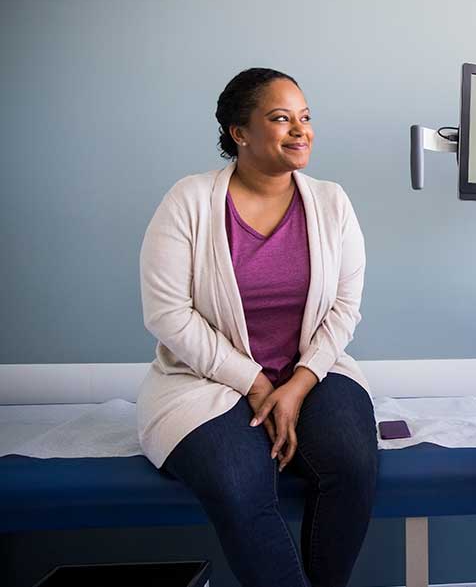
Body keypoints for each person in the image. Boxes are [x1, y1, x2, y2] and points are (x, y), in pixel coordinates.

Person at [137, 68, 376, 587]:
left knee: (352, 465)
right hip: (205, 382)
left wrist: (298, 384)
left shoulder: (333, 203)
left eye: (305, 117)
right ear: (238, 132)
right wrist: (255, 382)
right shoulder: (189, 201)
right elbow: (167, 311)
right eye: (280, 118)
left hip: (315, 371)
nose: (300, 129)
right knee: (237, 481)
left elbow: (344, 308)